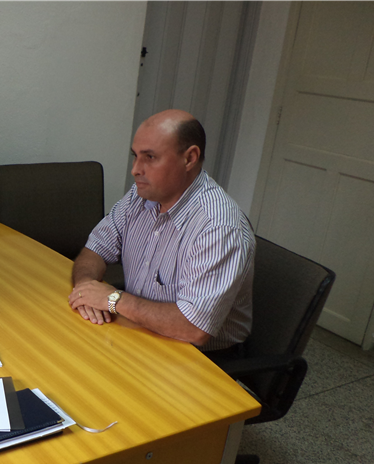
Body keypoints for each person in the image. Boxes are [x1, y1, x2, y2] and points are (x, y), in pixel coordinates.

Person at [68, 109, 255, 355]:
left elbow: (194, 328)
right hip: (139, 334)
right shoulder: (140, 195)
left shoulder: (217, 226)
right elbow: (95, 250)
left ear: (189, 158)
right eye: (135, 156)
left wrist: (113, 300)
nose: (135, 169)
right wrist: (86, 288)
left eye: (150, 157)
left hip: (200, 360)